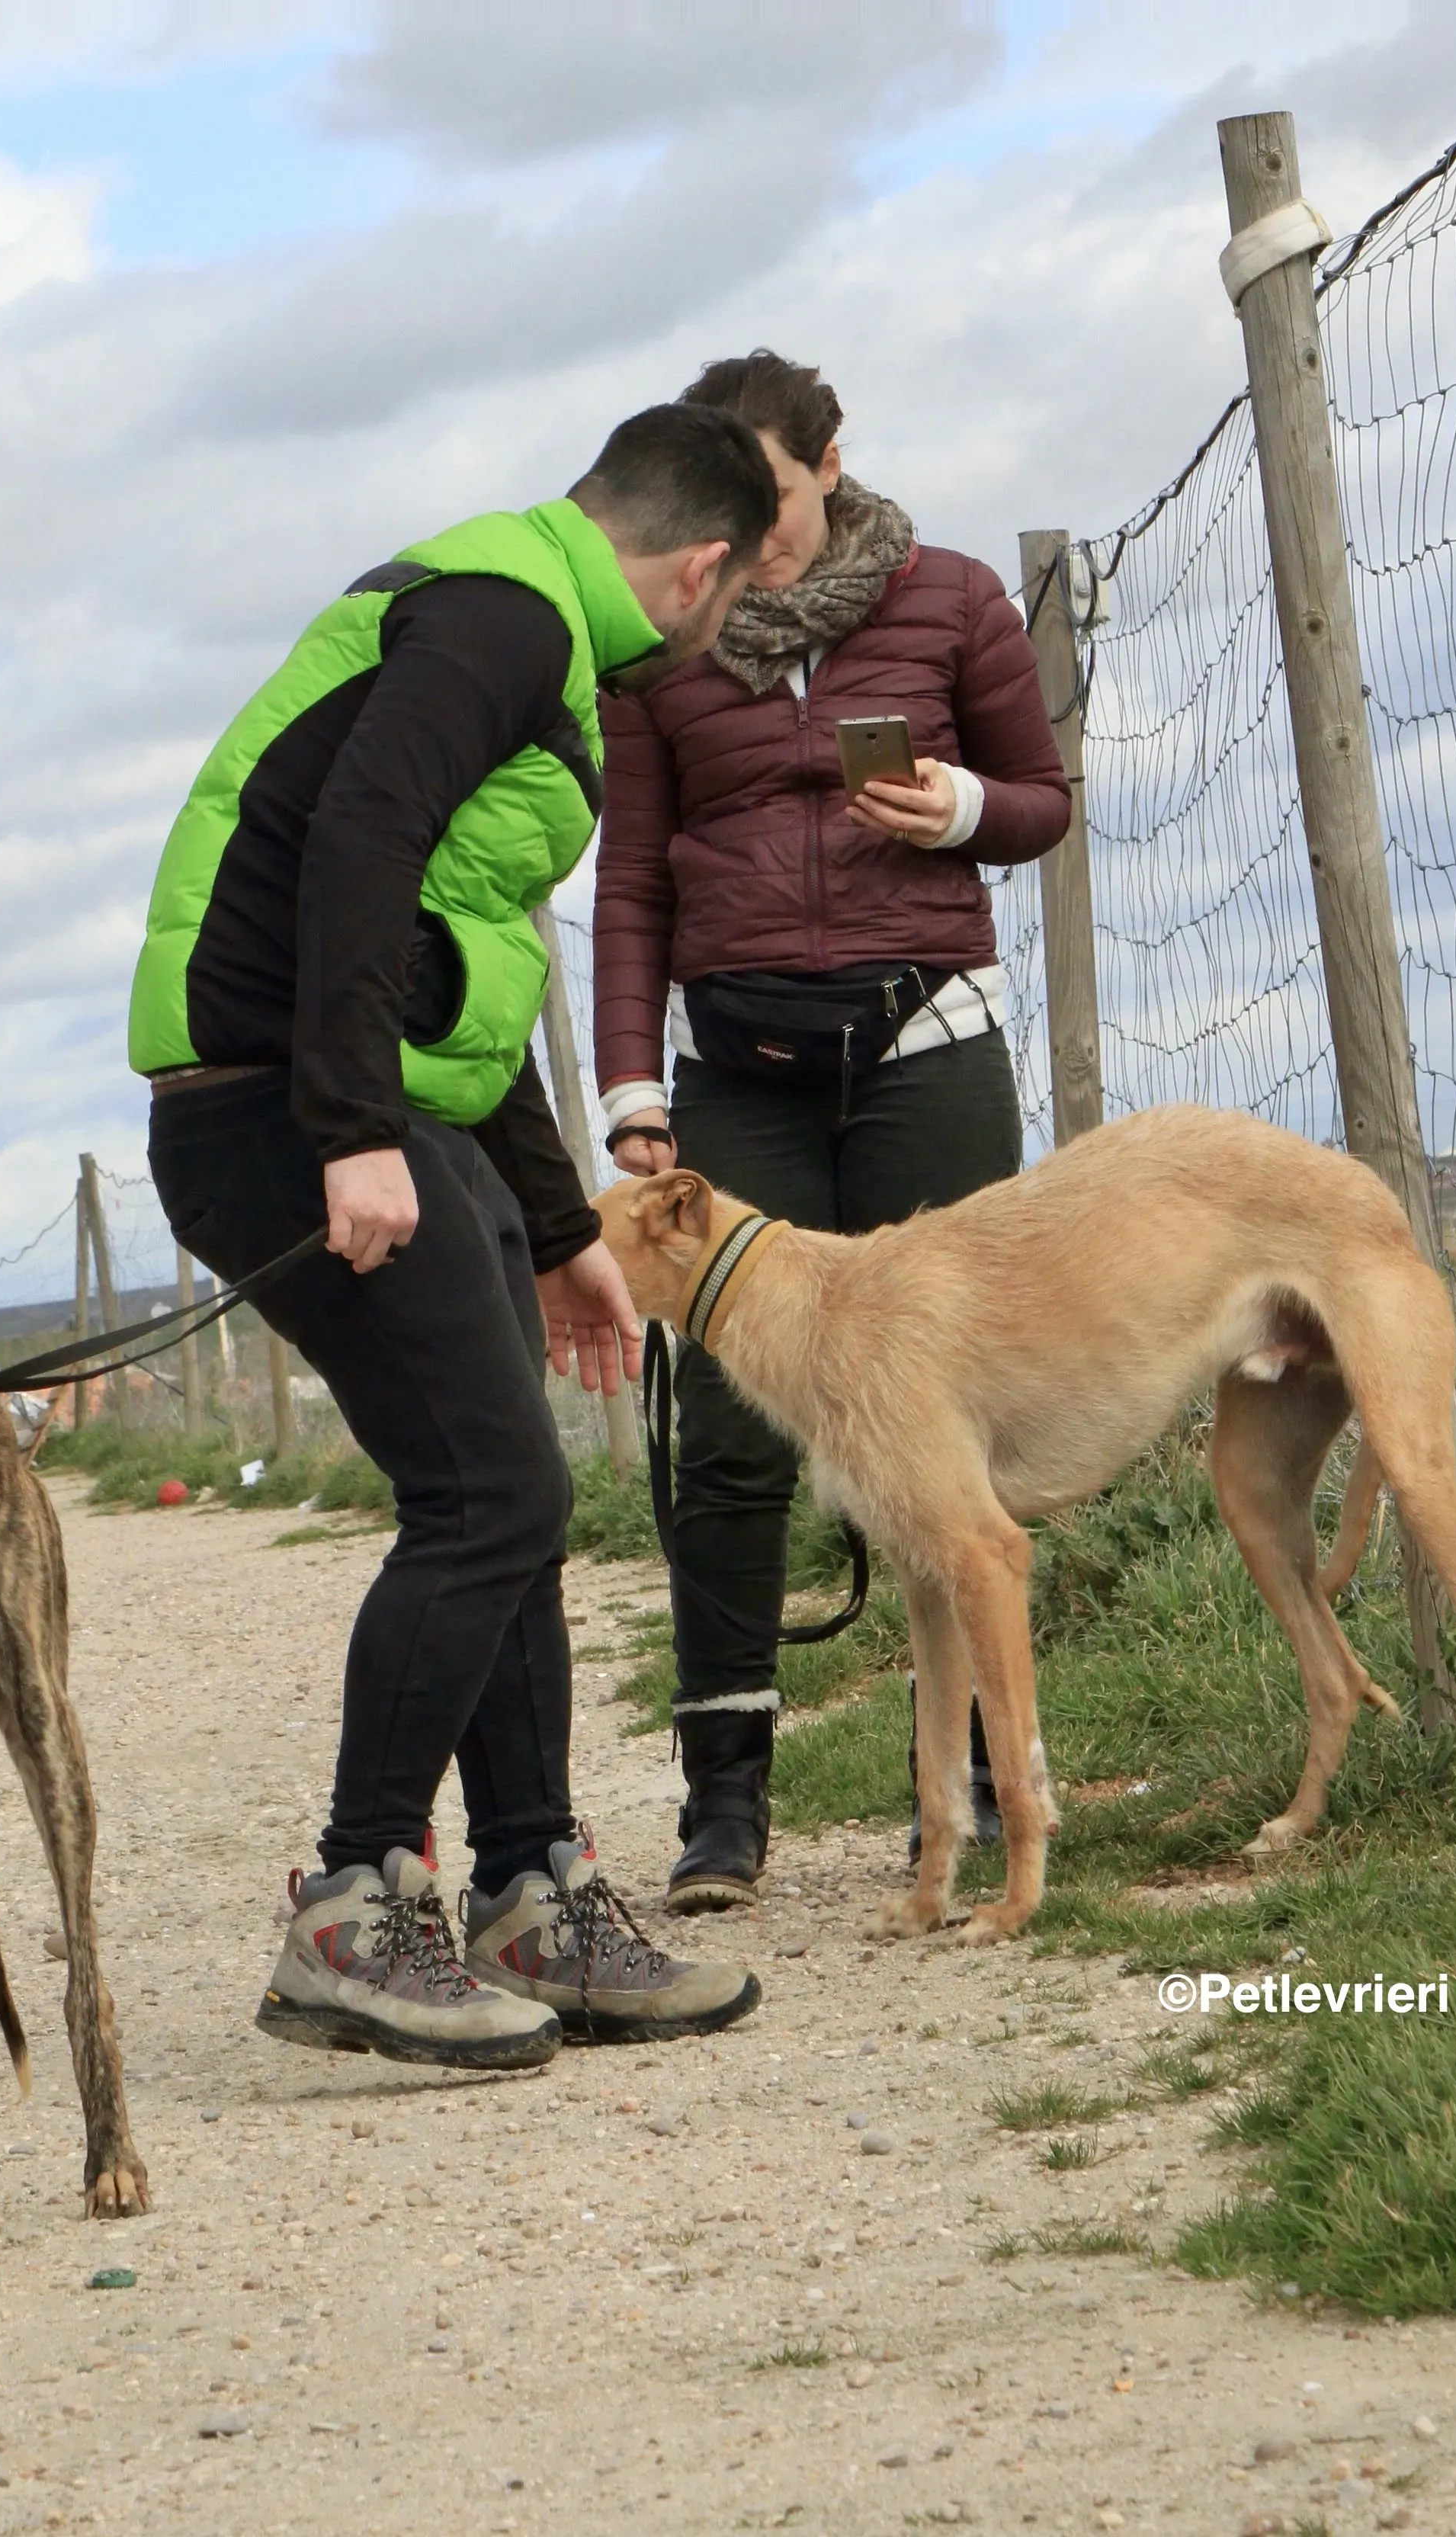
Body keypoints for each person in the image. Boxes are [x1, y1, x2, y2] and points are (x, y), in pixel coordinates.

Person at [132, 404, 780, 2067]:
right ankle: (355, 1903)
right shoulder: (503, 617)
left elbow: (457, 958)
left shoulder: (528, 626)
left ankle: (532, 1888)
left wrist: (559, 1225)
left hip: (372, 1103)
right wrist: (348, 1125)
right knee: (493, 1493)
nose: (718, 636)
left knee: (507, 1501)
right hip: (284, 1107)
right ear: (698, 566)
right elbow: (359, 842)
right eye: (733, 600)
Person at [592, 351, 1071, 1914]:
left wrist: (960, 815)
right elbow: (635, 881)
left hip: (923, 1041)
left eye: (771, 497)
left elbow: (1042, 798)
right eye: (717, 506)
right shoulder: (663, 643)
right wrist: (629, 1083)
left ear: (830, 462)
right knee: (730, 1444)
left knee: (971, 1416)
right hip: (741, 1072)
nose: (743, 534)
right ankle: (725, 1801)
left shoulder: (949, 598)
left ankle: (1003, 1783)